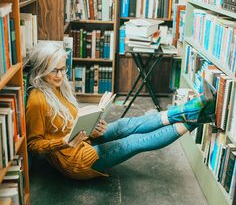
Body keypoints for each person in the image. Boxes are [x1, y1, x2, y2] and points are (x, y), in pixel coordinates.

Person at [26, 42, 216, 180]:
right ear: (42, 70)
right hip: (75, 159)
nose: (61, 75)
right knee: (133, 142)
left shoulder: (57, 86)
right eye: (55, 71)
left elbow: (68, 119)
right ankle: (196, 119)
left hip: (84, 139)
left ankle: (191, 110)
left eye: (62, 69)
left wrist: (91, 124)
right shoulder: (37, 100)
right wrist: (64, 142)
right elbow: (33, 145)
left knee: (129, 124)